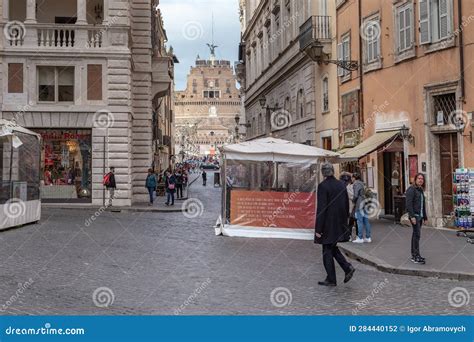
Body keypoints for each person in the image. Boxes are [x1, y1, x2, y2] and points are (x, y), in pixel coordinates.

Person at [314, 163, 355, 287]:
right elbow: (346, 206)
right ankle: (346, 268)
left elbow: (322, 208)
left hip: (327, 225)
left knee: (327, 250)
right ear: (332, 171)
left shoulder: (323, 186)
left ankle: (332, 278)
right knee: (331, 247)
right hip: (339, 223)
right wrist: (346, 223)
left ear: (323, 173)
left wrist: (318, 228)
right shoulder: (341, 185)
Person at [405, 173, 428, 264]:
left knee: (416, 235)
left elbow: (423, 205)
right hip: (415, 216)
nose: (420, 180)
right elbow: (408, 204)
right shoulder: (411, 189)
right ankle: (415, 256)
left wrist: (425, 217)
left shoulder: (420, 190)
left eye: (422, 179)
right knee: (416, 235)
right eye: (419, 178)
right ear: (415, 179)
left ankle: (416, 255)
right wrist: (412, 216)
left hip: (420, 216)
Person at [352, 172, 371, 243]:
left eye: (352, 177)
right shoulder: (363, 183)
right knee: (366, 221)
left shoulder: (356, 184)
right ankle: (368, 237)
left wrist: (353, 201)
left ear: (354, 177)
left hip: (359, 204)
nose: (351, 179)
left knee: (359, 221)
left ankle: (360, 238)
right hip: (365, 203)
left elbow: (356, 195)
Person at [340, 172, 358, 238]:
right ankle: (349, 235)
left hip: (351, 206)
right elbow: (352, 196)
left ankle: (349, 235)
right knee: (351, 221)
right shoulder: (348, 186)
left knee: (351, 221)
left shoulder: (348, 186)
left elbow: (352, 196)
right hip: (350, 206)